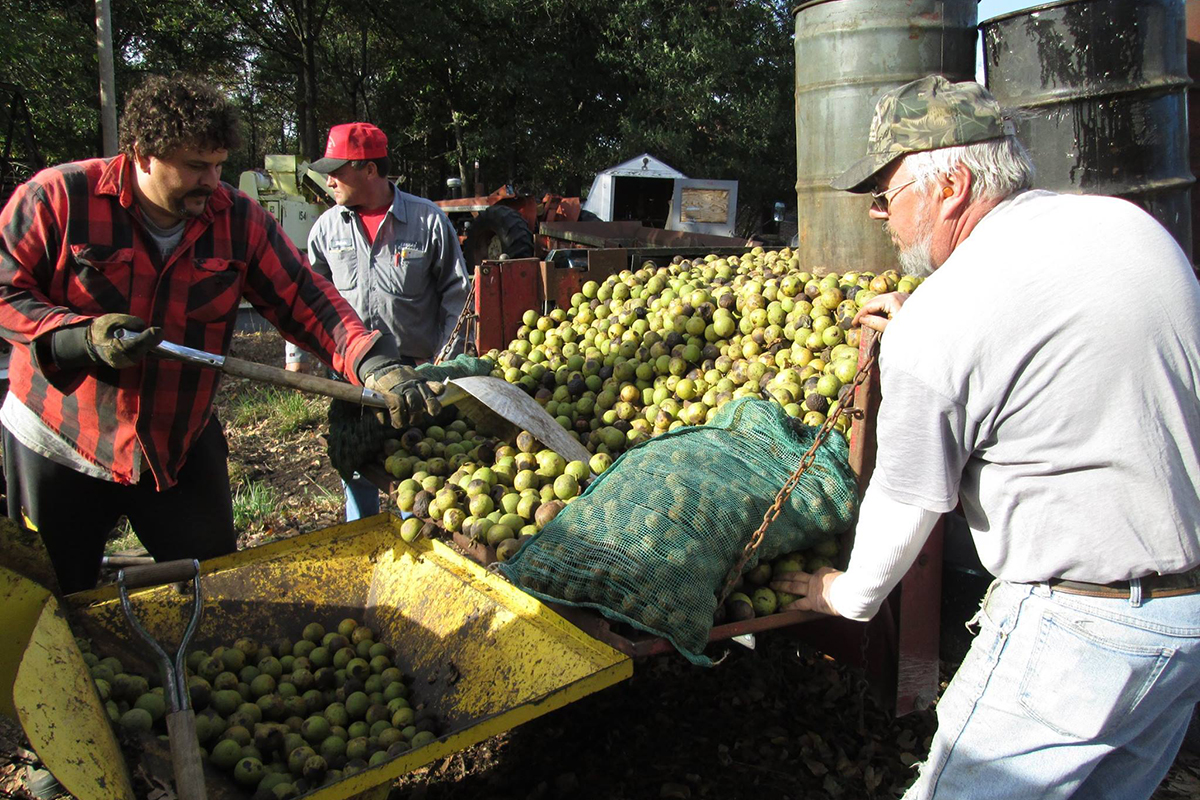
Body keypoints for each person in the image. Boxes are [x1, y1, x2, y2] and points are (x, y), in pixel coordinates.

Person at [773, 74, 1200, 799]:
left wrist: (845, 594)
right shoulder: (1130, 226)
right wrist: (929, 331)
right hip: (1183, 623)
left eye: (887, 195)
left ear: (951, 186)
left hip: (1081, 631)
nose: (881, 218)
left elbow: (907, 498)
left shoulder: (945, 317)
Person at [0, 75, 438, 594]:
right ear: (141, 155)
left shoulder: (236, 219)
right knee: (56, 598)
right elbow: (6, 289)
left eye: (218, 165)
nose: (211, 181)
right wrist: (76, 337)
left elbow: (305, 297)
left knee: (214, 589)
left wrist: (372, 360)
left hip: (177, 442)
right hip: (62, 440)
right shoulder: (58, 198)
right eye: (194, 166)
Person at [285, 122, 471, 520]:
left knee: (418, 476)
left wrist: (441, 363)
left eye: (336, 171)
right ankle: (364, 534)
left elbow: (458, 294)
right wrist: (295, 355)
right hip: (352, 380)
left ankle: (415, 545)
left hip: (416, 378)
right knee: (357, 468)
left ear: (369, 169)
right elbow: (305, 293)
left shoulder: (427, 221)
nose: (328, 181)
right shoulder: (326, 228)